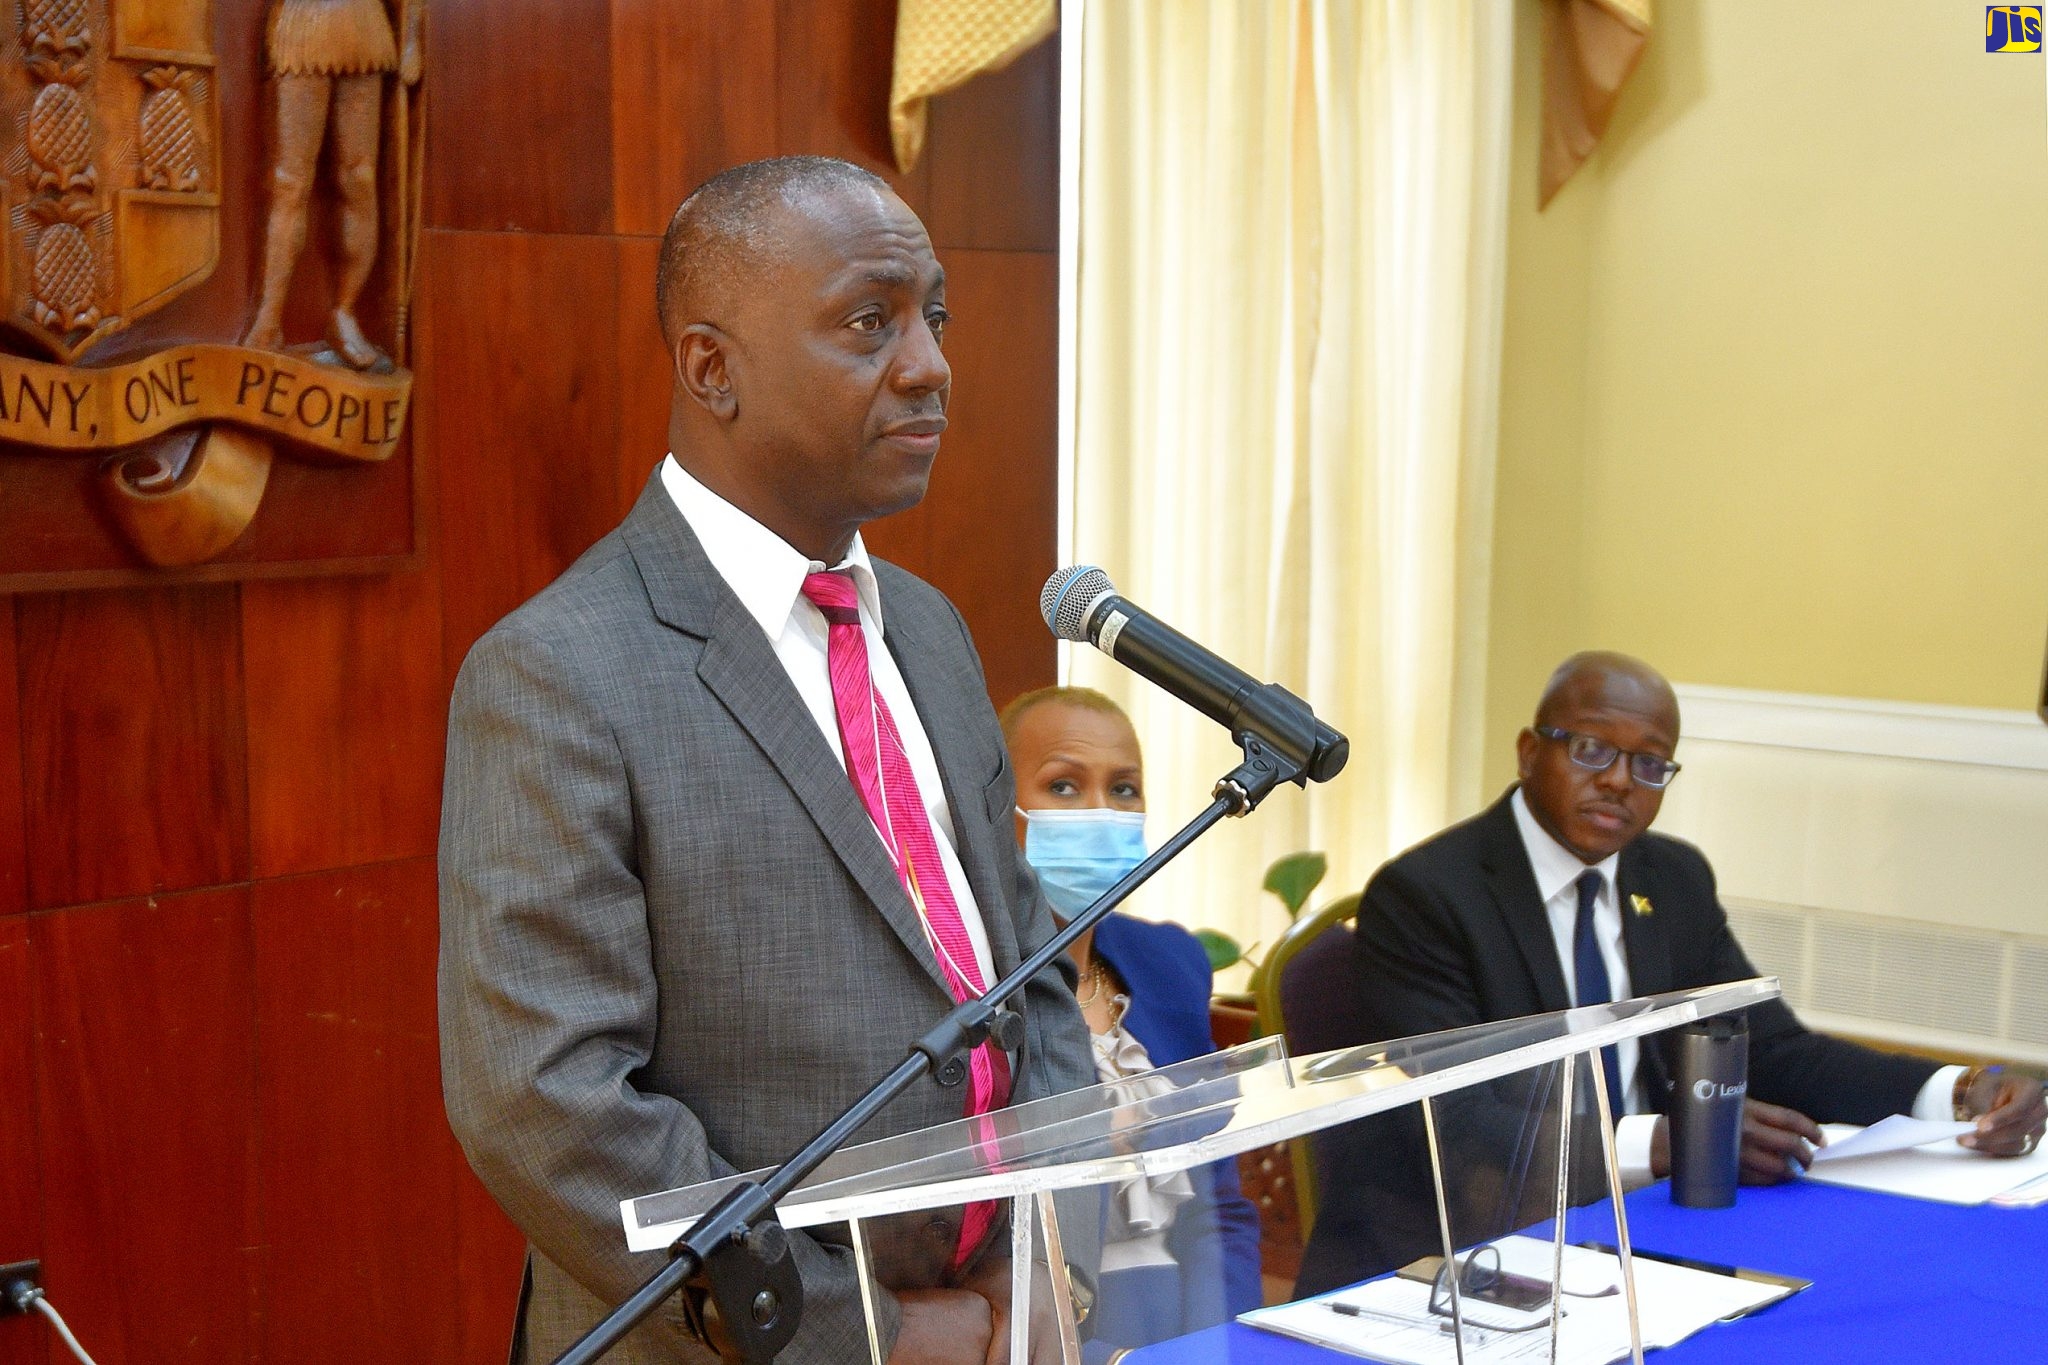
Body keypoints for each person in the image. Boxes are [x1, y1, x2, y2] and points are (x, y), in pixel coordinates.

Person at [439, 156, 1094, 1365]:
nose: (931, 365)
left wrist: (1053, 1260)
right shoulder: (557, 674)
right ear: (710, 367)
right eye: (869, 321)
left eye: (934, 316)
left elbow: (1029, 975)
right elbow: (549, 1106)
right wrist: (881, 1339)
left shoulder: (931, 630)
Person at [1296, 650, 2047, 1294]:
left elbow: (1775, 1049)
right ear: (1530, 751)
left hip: (1645, 1229)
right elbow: (1461, 1126)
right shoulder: (1431, 893)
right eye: (1593, 749)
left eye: (1650, 762)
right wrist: (1666, 1142)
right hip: (1465, 1248)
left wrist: (1956, 1089)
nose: (1622, 780)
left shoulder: (1673, 877)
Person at [999, 687, 1264, 1356]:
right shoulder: (964, 992)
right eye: (1063, 785)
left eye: (1123, 789)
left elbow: (1217, 1207)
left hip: (1187, 1324)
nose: (1100, 812)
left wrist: (1217, 1346)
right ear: (999, 810)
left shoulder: (1170, 962)